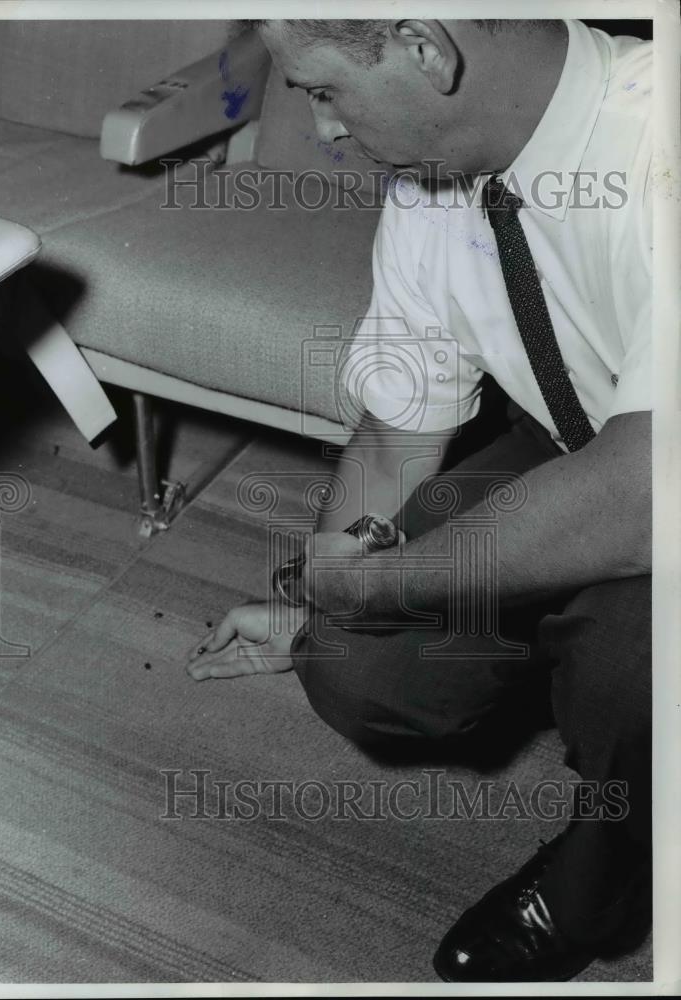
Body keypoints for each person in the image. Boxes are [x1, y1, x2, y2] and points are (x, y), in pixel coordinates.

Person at [187, 19, 652, 982]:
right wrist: (329, 592)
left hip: (651, 479)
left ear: (421, 47)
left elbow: (642, 495)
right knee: (355, 668)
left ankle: (601, 879)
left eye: (322, 91)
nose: (320, 129)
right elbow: (401, 429)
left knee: (633, 664)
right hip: (581, 442)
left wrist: (382, 587)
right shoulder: (436, 172)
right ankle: (565, 660)